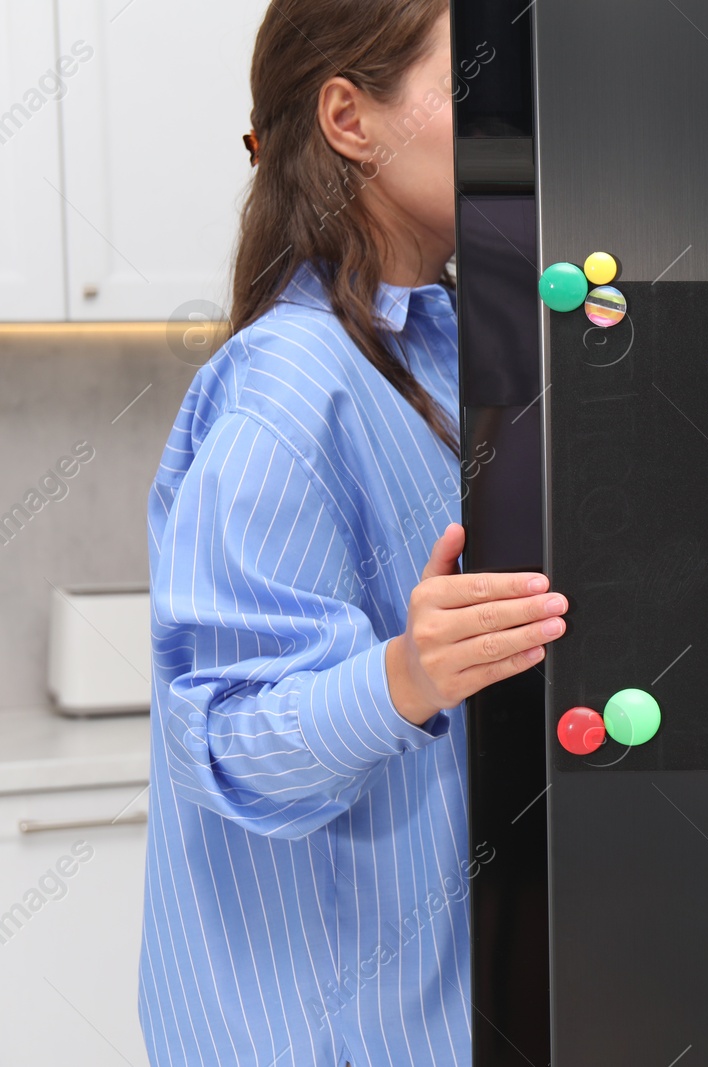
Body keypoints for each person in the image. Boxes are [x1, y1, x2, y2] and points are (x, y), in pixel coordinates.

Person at [138, 3, 565, 1063]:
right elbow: (229, 742)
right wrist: (409, 673)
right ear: (348, 117)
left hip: (440, 1006)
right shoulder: (287, 384)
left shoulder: (460, 346)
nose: (512, 118)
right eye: (472, 79)